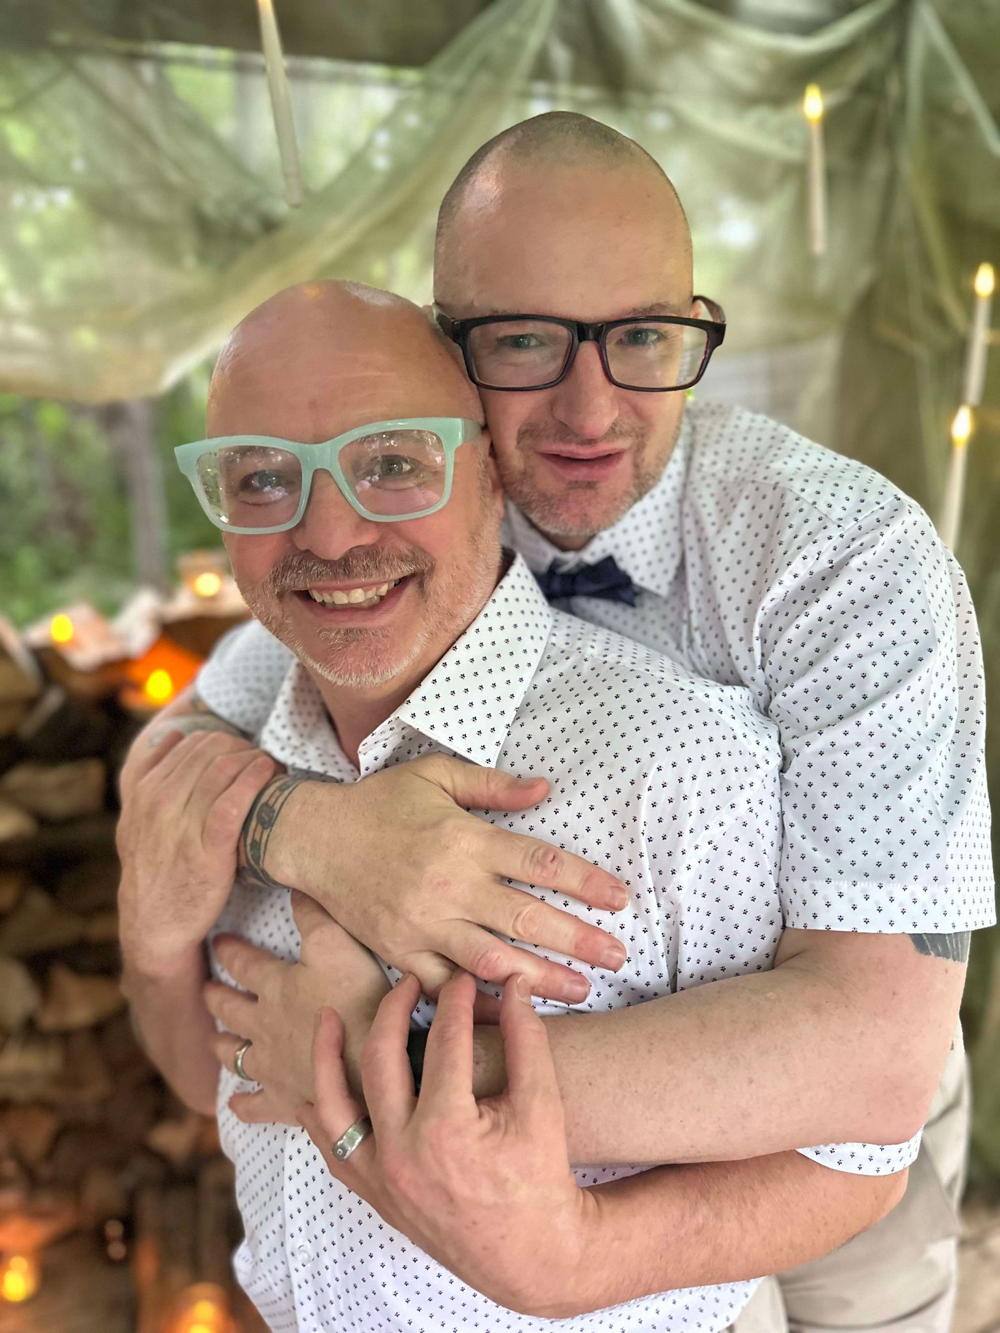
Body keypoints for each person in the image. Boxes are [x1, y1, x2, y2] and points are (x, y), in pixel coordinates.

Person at [119, 113, 993, 1331]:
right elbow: (182, 741)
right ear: (448, 350)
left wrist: (376, 1056)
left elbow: (872, 1059)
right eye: (524, 341)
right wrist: (311, 830)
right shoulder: (399, 503)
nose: (591, 407)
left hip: (827, 1101)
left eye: (641, 337)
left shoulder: (848, 559)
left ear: (690, 323)